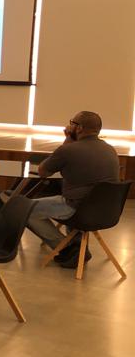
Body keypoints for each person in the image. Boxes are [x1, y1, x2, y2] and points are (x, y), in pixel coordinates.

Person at [27, 110, 120, 268]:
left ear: (79, 128)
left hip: (77, 209)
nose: (69, 126)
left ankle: (68, 248)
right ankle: (76, 246)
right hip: (106, 211)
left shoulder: (69, 150)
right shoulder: (110, 149)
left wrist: (67, 140)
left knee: (24, 209)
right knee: (76, 195)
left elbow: (43, 171)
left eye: (72, 123)